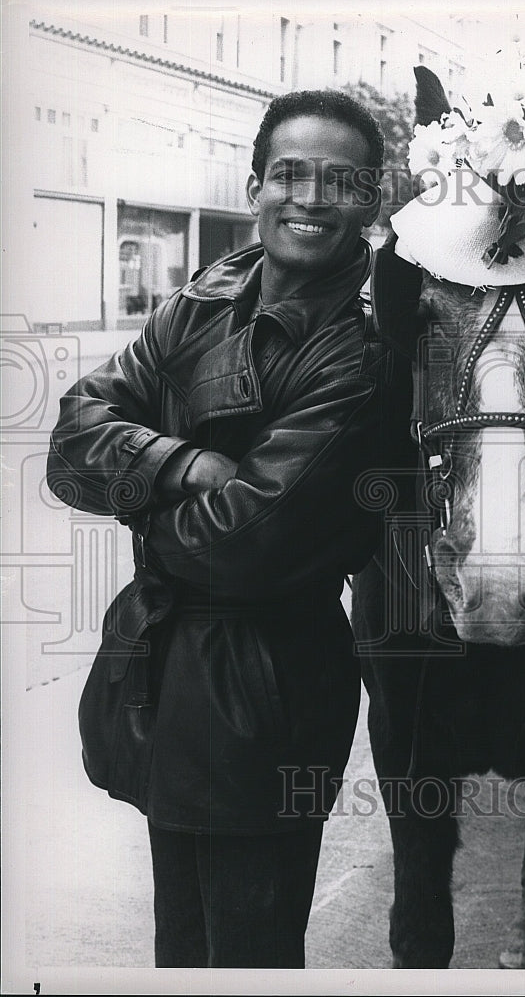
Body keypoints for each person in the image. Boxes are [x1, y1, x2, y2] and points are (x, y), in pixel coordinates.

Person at [46, 90, 394, 968]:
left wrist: (137, 496)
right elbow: (71, 436)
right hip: (166, 666)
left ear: (373, 203)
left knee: (249, 948)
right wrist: (185, 467)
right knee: (182, 939)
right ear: (255, 186)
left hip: (268, 682)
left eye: (340, 181)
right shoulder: (203, 300)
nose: (310, 197)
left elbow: (245, 546)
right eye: (289, 174)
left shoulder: (364, 348)